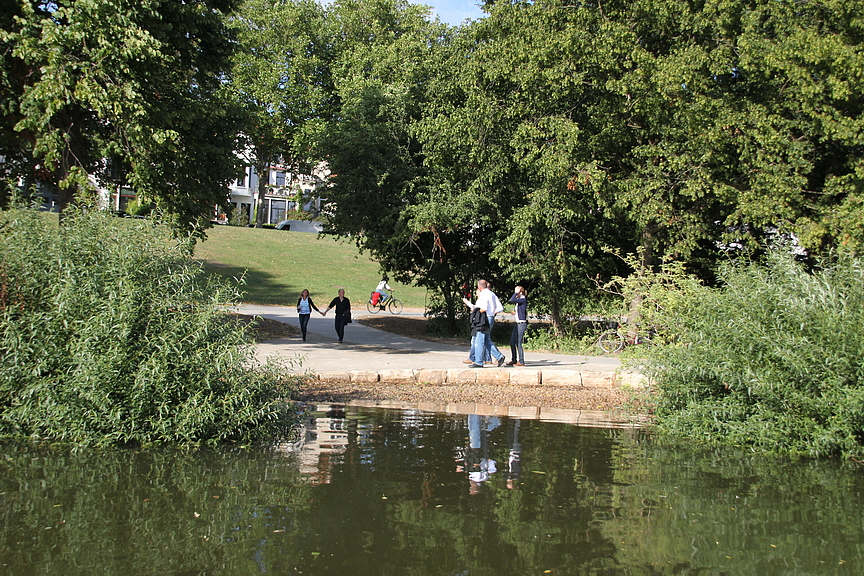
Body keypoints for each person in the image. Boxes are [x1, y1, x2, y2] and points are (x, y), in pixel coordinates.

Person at [461, 279, 506, 367]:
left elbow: (483, 308)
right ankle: (499, 356)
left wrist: (476, 312)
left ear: (479, 287)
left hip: (484, 319)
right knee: (486, 340)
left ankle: (479, 361)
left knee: (479, 341)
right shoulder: (491, 294)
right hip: (490, 318)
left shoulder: (484, 295)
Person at [507, 285, 528, 366]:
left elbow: (512, 299)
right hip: (517, 323)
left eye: (516, 291)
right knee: (512, 342)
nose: (515, 293)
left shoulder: (523, 299)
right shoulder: (520, 300)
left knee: (518, 343)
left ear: (520, 292)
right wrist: (516, 313)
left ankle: (521, 361)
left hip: (521, 324)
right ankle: (514, 359)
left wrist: (516, 293)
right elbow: (521, 311)